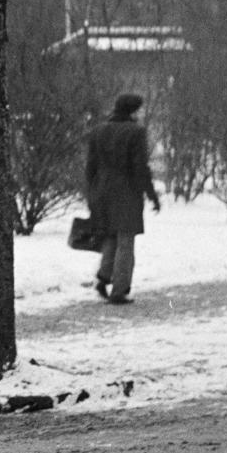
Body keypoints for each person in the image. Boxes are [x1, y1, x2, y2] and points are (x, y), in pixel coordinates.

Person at [85, 92, 161, 305]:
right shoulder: (135, 132)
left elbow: (90, 166)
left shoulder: (98, 131)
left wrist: (91, 192)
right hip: (126, 191)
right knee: (126, 241)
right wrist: (151, 194)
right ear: (133, 110)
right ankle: (119, 289)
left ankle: (103, 277)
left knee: (110, 236)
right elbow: (140, 167)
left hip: (102, 190)